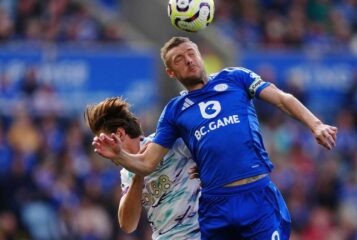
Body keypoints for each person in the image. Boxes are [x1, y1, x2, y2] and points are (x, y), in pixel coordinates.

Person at [92, 37, 338, 240]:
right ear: (170, 71)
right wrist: (122, 156)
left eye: (191, 53)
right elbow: (143, 172)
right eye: (179, 58)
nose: (188, 60)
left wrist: (316, 125)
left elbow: (282, 98)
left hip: (255, 195)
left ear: (200, 55)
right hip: (212, 210)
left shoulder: (235, 78)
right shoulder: (175, 112)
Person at [85, 97, 201, 240]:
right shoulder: (127, 173)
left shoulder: (164, 143)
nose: (105, 153)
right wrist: (138, 174)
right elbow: (128, 225)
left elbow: (211, 152)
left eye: (106, 142)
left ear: (120, 134)